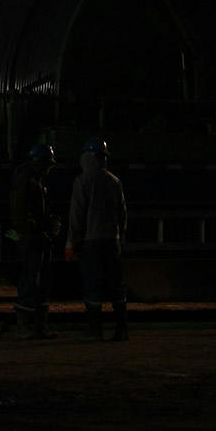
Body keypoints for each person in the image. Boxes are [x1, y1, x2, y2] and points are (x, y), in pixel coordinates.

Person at [65, 137, 128, 341]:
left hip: (91, 241)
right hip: (112, 240)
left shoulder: (82, 181)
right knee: (115, 284)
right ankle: (121, 329)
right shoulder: (114, 181)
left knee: (93, 285)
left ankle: (95, 330)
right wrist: (120, 238)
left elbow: (77, 215)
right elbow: (122, 214)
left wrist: (70, 243)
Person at [8, 142, 60, 339]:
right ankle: (26, 325)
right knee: (31, 279)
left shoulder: (35, 178)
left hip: (36, 237)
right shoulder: (28, 179)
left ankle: (38, 325)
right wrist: (40, 228)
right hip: (32, 238)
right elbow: (21, 213)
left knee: (41, 280)